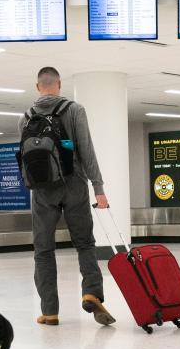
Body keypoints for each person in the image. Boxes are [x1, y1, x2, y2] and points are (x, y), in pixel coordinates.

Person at [22, 66, 114, 327]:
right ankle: (91, 292)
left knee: (43, 251)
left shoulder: (25, 118)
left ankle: (50, 312)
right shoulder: (74, 110)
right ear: (59, 85)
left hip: (41, 191)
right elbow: (87, 151)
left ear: (38, 86)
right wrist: (99, 188)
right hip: (73, 184)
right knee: (84, 243)